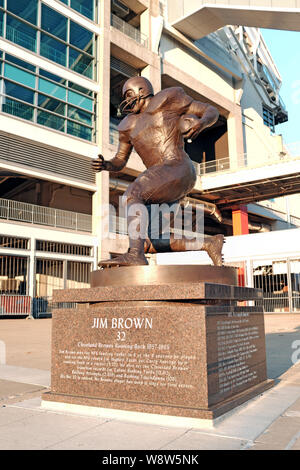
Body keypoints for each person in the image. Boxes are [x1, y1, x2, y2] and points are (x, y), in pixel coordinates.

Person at [92, 76, 224, 267]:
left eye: (129, 94)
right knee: (147, 242)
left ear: (141, 90)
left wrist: (202, 123)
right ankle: (209, 243)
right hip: (165, 179)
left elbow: (211, 111)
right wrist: (106, 165)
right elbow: (120, 160)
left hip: (177, 166)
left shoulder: (167, 100)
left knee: (133, 194)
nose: (127, 101)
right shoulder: (127, 126)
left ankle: (134, 255)